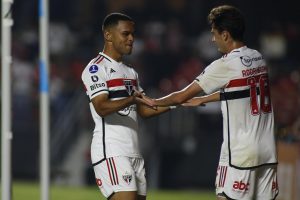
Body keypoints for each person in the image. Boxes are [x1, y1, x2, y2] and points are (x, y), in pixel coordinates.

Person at [142, 5, 279, 200]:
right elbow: (244, 92)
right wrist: (205, 99)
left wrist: (152, 101)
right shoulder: (257, 58)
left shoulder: (223, 65)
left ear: (225, 35)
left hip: (241, 152)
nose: (213, 39)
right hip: (267, 150)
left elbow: (181, 96)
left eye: (214, 34)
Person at [81, 13, 173, 200]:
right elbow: (101, 106)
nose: (131, 39)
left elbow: (145, 110)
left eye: (132, 34)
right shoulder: (96, 68)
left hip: (134, 151)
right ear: (108, 35)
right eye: (125, 34)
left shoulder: (131, 72)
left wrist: (178, 102)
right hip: (111, 150)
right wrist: (130, 100)